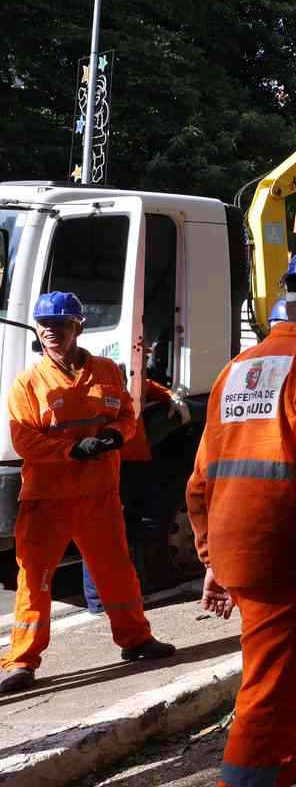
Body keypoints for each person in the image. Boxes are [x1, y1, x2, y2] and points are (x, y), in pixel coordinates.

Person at [187, 249, 296, 786]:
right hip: (282, 551)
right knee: (271, 677)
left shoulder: (238, 368)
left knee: (285, 665)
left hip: (240, 545)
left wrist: (212, 556)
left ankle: (281, 763)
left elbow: (201, 479)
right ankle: (246, 778)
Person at [1, 292, 176, 694]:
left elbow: (126, 415)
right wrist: (70, 450)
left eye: (59, 324)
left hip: (98, 495)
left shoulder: (107, 371)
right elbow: (24, 440)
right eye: (44, 324)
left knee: (116, 572)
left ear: (77, 328)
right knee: (36, 580)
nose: (50, 331)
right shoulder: (29, 383)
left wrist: (117, 434)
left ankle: (135, 640)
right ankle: (22, 662)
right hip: (47, 500)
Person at [80, 370, 190, 611]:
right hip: (113, 463)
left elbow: (145, 384)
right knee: (103, 532)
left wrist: (168, 394)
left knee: (120, 529)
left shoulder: (119, 379)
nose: (145, 349)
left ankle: (113, 596)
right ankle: (100, 601)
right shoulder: (99, 384)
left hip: (130, 461)